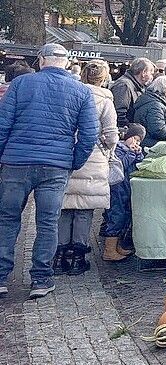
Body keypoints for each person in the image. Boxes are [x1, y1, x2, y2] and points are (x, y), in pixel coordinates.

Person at [0, 43, 99, 299]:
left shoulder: (21, 84)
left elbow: (3, 123)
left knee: (8, 219)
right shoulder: (81, 91)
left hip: (16, 162)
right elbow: (90, 133)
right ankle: (41, 279)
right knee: (47, 223)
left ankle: (1, 276)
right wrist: (73, 161)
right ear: (65, 63)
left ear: (42, 60)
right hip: (55, 165)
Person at [53, 60, 120, 276]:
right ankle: (77, 258)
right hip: (93, 156)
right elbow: (111, 133)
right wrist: (109, 148)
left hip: (67, 154)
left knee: (65, 205)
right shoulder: (105, 100)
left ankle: (60, 255)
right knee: (84, 209)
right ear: (104, 78)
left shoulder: (71, 94)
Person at [103, 124, 145, 261]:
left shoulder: (131, 150)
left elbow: (139, 163)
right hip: (117, 189)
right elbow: (121, 165)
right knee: (116, 216)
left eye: (139, 141)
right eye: (134, 138)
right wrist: (132, 153)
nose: (136, 143)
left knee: (124, 216)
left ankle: (117, 246)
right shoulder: (119, 149)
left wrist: (139, 154)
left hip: (126, 189)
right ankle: (109, 250)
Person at [133, 75, 166, 147]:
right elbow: (158, 131)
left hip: (144, 141)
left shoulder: (147, 98)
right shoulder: (156, 106)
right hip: (151, 145)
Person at [111, 58, 155, 127]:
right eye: (151, 74)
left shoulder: (135, 86)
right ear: (143, 72)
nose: (152, 77)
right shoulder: (124, 86)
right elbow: (119, 113)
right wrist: (132, 129)